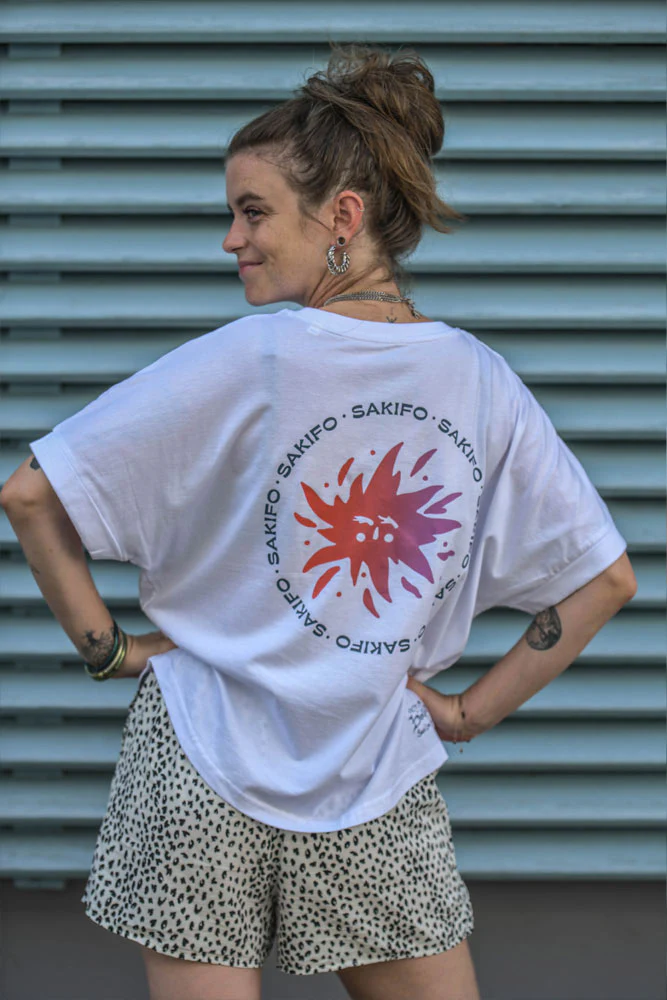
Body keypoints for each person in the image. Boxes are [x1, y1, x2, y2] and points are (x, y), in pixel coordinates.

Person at [1, 42, 636, 1000]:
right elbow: (605, 580)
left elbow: (30, 493)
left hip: (199, 757)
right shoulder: (478, 380)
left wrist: (110, 652)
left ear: (341, 216)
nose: (230, 239)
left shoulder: (249, 355)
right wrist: (466, 714)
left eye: (252, 211)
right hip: (371, 768)